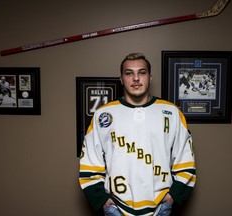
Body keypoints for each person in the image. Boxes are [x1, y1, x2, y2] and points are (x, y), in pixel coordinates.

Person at [79, 53, 196, 216]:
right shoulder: (103, 114)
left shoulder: (172, 112)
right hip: (116, 207)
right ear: (121, 79)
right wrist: (101, 200)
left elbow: (185, 160)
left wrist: (174, 195)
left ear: (150, 77)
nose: (136, 78)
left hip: (161, 205)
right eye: (129, 73)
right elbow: (90, 161)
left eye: (142, 72)